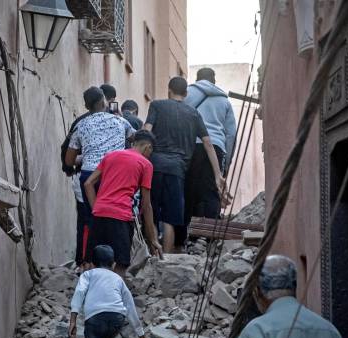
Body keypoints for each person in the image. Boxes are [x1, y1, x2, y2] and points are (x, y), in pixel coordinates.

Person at [143, 76, 227, 253]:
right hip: (178, 169)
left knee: (150, 210)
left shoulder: (157, 105)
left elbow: (146, 132)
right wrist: (218, 175)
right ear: (186, 94)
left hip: (155, 166)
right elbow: (208, 144)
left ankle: (150, 255)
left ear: (169, 91)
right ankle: (165, 258)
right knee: (170, 217)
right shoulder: (194, 113)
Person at [65, 86, 135, 266]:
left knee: (91, 220)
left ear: (87, 106)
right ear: (104, 101)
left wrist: (85, 157)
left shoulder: (81, 125)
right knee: (118, 216)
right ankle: (119, 262)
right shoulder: (120, 122)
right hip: (116, 175)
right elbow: (136, 139)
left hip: (89, 175)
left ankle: (88, 263)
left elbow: (69, 160)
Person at [82, 130, 162, 277]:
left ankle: (91, 293)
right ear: (147, 147)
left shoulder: (111, 156)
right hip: (121, 217)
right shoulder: (145, 164)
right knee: (121, 263)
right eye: (151, 152)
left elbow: (88, 183)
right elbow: (146, 205)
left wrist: (96, 208)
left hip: (99, 214)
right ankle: (114, 294)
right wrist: (153, 239)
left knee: (93, 261)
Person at [177, 67, 238, 247]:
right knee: (211, 191)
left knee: (189, 190)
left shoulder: (187, 94)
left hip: (190, 146)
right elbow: (231, 134)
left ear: (197, 79)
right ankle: (210, 238)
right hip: (216, 147)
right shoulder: (224, 101)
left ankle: (187, 236)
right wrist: (227, 160)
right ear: (214, 80)